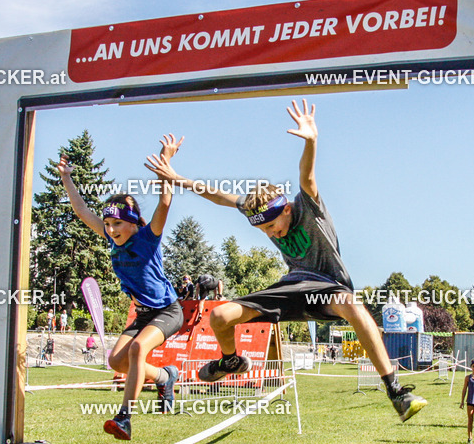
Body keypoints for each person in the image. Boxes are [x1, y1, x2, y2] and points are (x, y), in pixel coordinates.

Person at [144, 100, 426, 421]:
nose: (271, 234)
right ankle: (230, 360)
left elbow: (307, 177)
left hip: (327, 288)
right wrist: (178, 178)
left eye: (272, 226)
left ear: (287, 209)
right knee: (220, 316)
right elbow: (218, 195)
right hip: (292, 288)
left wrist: (311, 141)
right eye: (263, 230)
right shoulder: (257, 209)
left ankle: (395, 391)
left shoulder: (308, 207)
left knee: (354, 307)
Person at [57, 138, 184, 440]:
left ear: (132, 224)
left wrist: (166, 165)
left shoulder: (147, 237)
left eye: (116, 224)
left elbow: (165, 203)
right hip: (143, 314)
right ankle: (164, 376)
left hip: (168, 311)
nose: (111, 230)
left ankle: (124, 417)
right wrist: (66, 178)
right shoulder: (111, 238)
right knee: (116, 362)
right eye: (107, 224)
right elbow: (81, 211)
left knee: (138, 349)